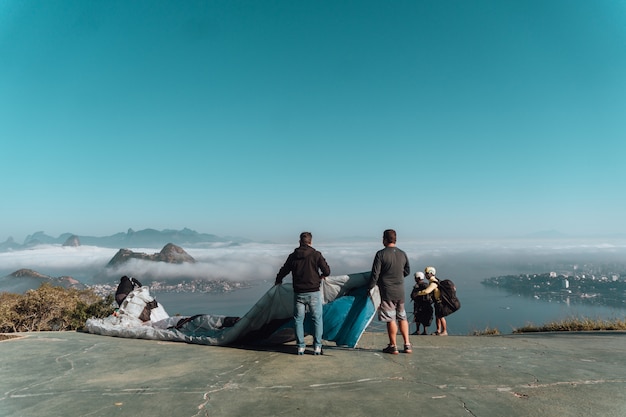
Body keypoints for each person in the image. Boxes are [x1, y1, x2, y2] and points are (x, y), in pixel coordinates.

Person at [275, 232, 330, 355]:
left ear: (299, 241)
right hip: (314, 292)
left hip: (299, 293)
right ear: (310, 242)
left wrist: (278, 280)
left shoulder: (293, 256)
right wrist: (321, 276)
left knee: (298, 320)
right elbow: (327, 270)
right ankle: (317, 346)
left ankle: (300, 347)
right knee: (317, 319)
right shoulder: (316, 255)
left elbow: (284, 270)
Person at [368, 229, 412, 354]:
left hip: (387, 291)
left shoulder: (381, 254)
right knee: (402, 317)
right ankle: (407, 344)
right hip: (400, 291)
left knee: (390, 319)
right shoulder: (402, 253)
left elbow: (375, 274)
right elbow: (407, 271)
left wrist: (370, 288)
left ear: (385, 239)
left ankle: (393, 346)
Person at [416, 266, 448, 335]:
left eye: (427, 273)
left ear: (431, 273)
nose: (425, 275)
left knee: (441, 316)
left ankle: (444, 331)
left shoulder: (433, 282)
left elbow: (427, 291)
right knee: (438, 316)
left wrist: (418, 293)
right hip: (437, 302)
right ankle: (438, 330)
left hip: (439, 302)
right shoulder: (433, 281)